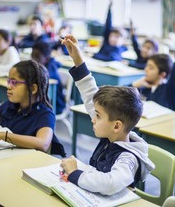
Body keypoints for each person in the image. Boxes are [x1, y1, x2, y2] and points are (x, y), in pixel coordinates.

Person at [60, 35, 155, 195]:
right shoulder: (112, 135)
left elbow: (110, 184)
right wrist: (77, 59)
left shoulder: (128, 158)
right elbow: (91, 95)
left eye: (98, 116)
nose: (92, 118)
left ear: (116, 125)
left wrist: (75, 173)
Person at [0, 60, 66, 157]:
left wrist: (4, 136)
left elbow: (43, 143)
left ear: (33, 89)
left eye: (14, 82)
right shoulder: (11, 105)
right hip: (5, 156)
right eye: (8, 81)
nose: (8, 86)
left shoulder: (45, 114)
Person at [130, 20, 175, 111]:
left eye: (151, 68)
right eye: (147, 66)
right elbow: (122, 97)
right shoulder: (145, 87)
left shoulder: (170, 89)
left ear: (162, 74)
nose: (146, 70)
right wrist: (134, 85)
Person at [31, 41, 66, 114]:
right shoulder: (40, 66)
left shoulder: (50, 70)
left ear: (46, 59)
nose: (33, 60)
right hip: (44, 103)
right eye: (32, 56)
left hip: (55, 105)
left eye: (37, 57)